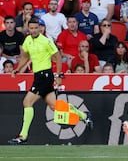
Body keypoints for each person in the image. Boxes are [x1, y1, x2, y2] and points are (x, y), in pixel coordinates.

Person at [8, 17, 92, 145]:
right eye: (31, 28)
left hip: (45, 76)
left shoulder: (46, 41)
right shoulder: (27, 41)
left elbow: (58, 57)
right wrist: (17, 69)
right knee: (54, 106)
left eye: (36, 28)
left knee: (27, 102)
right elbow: (25, 56)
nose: (34, 30)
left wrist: (58, 75)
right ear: (28, 29)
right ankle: (84, 115)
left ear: (41, 28)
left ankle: (23, 135)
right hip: (38, 76)